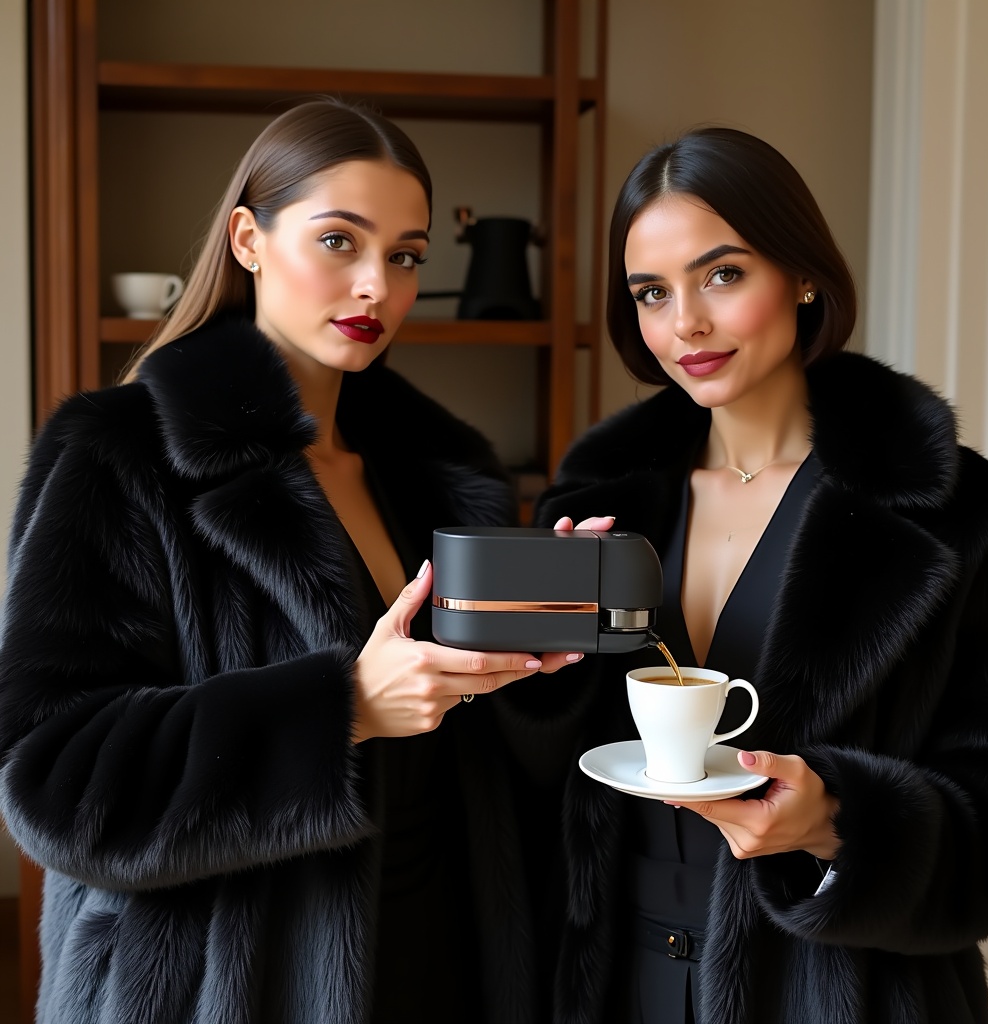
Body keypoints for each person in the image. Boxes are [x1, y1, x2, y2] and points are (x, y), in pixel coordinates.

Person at [0, 97, 574, 1023]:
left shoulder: (437, 474)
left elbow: (477, 745)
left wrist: (543, 629)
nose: (377, 289)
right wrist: (339, 710)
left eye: (406, 256)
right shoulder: (120, 453)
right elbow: (53, 776)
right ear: (248, 238)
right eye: (340, 241)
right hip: (222, 984)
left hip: (440, 953)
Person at [524, 127, 988, 1023]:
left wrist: (840, 821)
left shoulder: (958, 516)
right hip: (617, 982)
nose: (686, 324)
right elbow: (530, 781)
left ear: (801, 275)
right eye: (651, 292)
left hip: (842, 991)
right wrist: (533, 660)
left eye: (722, 274)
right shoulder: (596, 509)